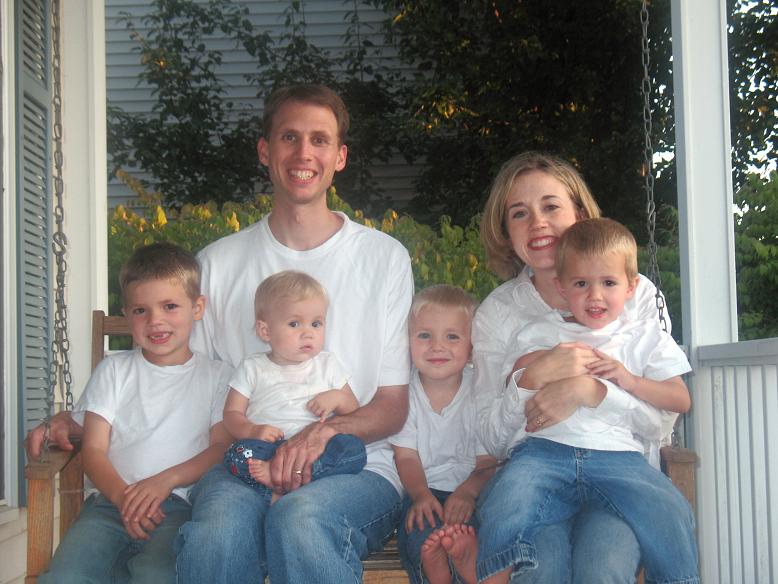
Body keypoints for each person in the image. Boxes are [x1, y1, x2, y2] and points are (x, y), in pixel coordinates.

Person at [27, 84, 413, 583]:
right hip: (240, 464)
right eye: (289, 137)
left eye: (319, 140)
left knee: (300, 519)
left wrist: (323, 433)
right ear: (265, 151)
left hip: (355, 469)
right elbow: (176, 374)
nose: (303, 153)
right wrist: (80, 418)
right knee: (217, 534)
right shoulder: (219, 264)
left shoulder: (383, 258)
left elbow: (392, 405)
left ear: (340, 156)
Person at [472, 151, 675, 582]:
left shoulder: (634, 293)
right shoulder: (498, 313)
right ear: (506, 232)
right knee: (539, 570)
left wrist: (591, 393)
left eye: (551, 206)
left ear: (579, 214)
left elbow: (662, 423)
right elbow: (491, 438)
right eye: (520, 213)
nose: (537, 223)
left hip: (621, 479)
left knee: (603, 568)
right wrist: (532, 379)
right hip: (538, 480)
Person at [39, 242, 233, 583]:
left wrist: (165, 481)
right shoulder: (114, 371)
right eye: (141, 310)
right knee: (67, 576)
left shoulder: (217, 376)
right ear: (127, 315)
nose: (155, 320)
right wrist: (123, 498)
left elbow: (220, 448)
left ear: (197, 307)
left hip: (177, 505)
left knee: (157, 575)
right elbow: (93, 449)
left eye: (170, 306)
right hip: (108, 504)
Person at [222, 270, 366, 497]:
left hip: (315, 450)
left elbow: (354, 410)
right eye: (294, 323)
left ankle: (289, 478)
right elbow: (231, 413)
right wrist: (252, 430)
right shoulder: (252, 367)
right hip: (267, 448)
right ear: (265, 331)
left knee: (353, 449)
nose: (308, 333)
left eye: (316, 323)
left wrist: (338, 398)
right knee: (237, 454)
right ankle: (279, 476)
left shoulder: (327, 364)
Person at [389, 285, 497, 584]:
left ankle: (466, 567)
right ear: (407, 342)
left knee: (473, 533)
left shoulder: (480, 390)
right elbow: (406, 457)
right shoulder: (404, 392)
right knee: (419, 532)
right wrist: (421, 495)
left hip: (472, 490)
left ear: (471, 347)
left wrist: (467, 493)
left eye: (452, 337)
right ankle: (434, 571)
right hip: (423, 489)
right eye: (425, 335)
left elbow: (488, 463)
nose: (437, 346)